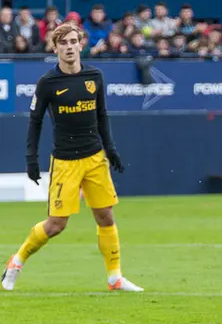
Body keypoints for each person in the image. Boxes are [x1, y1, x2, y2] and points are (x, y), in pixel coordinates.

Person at [2, 23, 141, 293]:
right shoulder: (47, 83)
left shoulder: (95, 76)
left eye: (73, 41)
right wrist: (31, 159)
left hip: (95, 158)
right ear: (55, 48)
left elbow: (101, 115)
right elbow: (35, 122)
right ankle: (16, 262)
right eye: (63, 43)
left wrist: (110, 149)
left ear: (81, 44)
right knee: (56, 225)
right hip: (65, 161)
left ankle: (115, 278)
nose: (69, 47)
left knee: (106, 217)